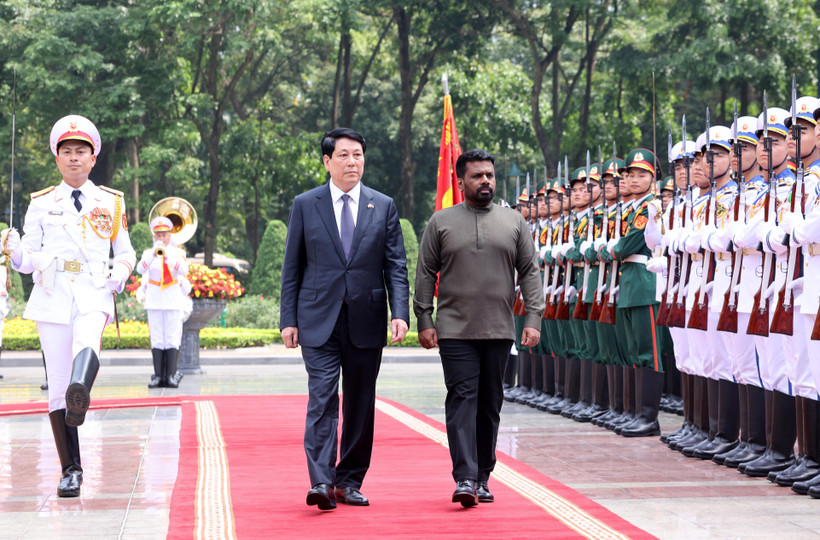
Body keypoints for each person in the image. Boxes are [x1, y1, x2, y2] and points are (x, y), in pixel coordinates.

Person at [4, 114, 136, 498]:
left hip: (95, 288)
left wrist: (120, 273)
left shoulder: (110, 202)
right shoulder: (42, 204)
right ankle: (71, 469)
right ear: (57, 159)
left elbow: (125, 252)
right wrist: (14, 252)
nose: (74, 158)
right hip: (52, 294)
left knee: (88, 339)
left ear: (93, 158)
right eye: (67, 152)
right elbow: (29, 260)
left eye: (81, 151)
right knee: (58, 387)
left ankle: (83, 386)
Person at [279, 127, 410, 511]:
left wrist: (399, 312)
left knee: (360, 402)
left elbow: (396, 265)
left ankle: (349, 481)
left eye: (358, 155)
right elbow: (292, 267)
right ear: (327, 161)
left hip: (366, 319)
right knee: (322, 399)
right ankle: (321, 481)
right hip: (318, 318)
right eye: (344, 155)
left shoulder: (382, 205)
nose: (352, 162)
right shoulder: (306, 203)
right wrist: (289, 318)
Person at [414, 149, 545, 507]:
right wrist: (424, 319)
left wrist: (533, 318)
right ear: (461, 182)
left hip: (499, 328)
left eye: (489, 174)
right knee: (461, 400)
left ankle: (484, 475)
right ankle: (465, 478)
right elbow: (425, 272)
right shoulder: (441, 222)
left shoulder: (514, 222)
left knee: (490, 403)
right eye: (477, 176)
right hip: (455, 329)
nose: (485, 180)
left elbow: (530, 272)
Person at [137, 216, 189, 388]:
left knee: (173, 338)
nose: (161, 238)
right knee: (158, 338)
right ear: (154, 237)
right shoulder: (147, 253)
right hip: (154, 300)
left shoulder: (178, 253)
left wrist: (168, 257)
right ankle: (158, 376)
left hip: (172, 299)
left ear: (169, 236)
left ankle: (171, 375)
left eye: (164, 235)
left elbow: (184, 270)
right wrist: (154, 255)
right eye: (158, 235)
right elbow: (140, 269)